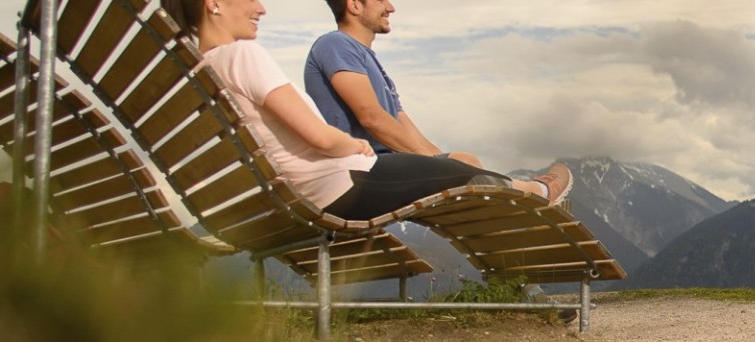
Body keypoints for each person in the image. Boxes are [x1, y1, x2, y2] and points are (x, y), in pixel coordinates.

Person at [160, 0, 569, 222]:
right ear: (213, 3)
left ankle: (527, 197)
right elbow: (320, 137)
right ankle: (536, 191)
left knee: (460, 169)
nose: (262, 8)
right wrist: (354, 144)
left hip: (286, 196)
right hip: (338, 186)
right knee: (465, 173)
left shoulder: (205, 68)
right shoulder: (243, 55)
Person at [302, 0, 482, 168]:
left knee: (462, 161)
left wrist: (442, 160)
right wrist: (435, 164)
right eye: (381, 0)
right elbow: (371, 117)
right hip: (359, 165)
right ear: (355, 6)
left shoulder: (370, 62)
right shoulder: (336, 44)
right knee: (463, 163)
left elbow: (406, 128)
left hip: (387, 161)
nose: (390, 8)